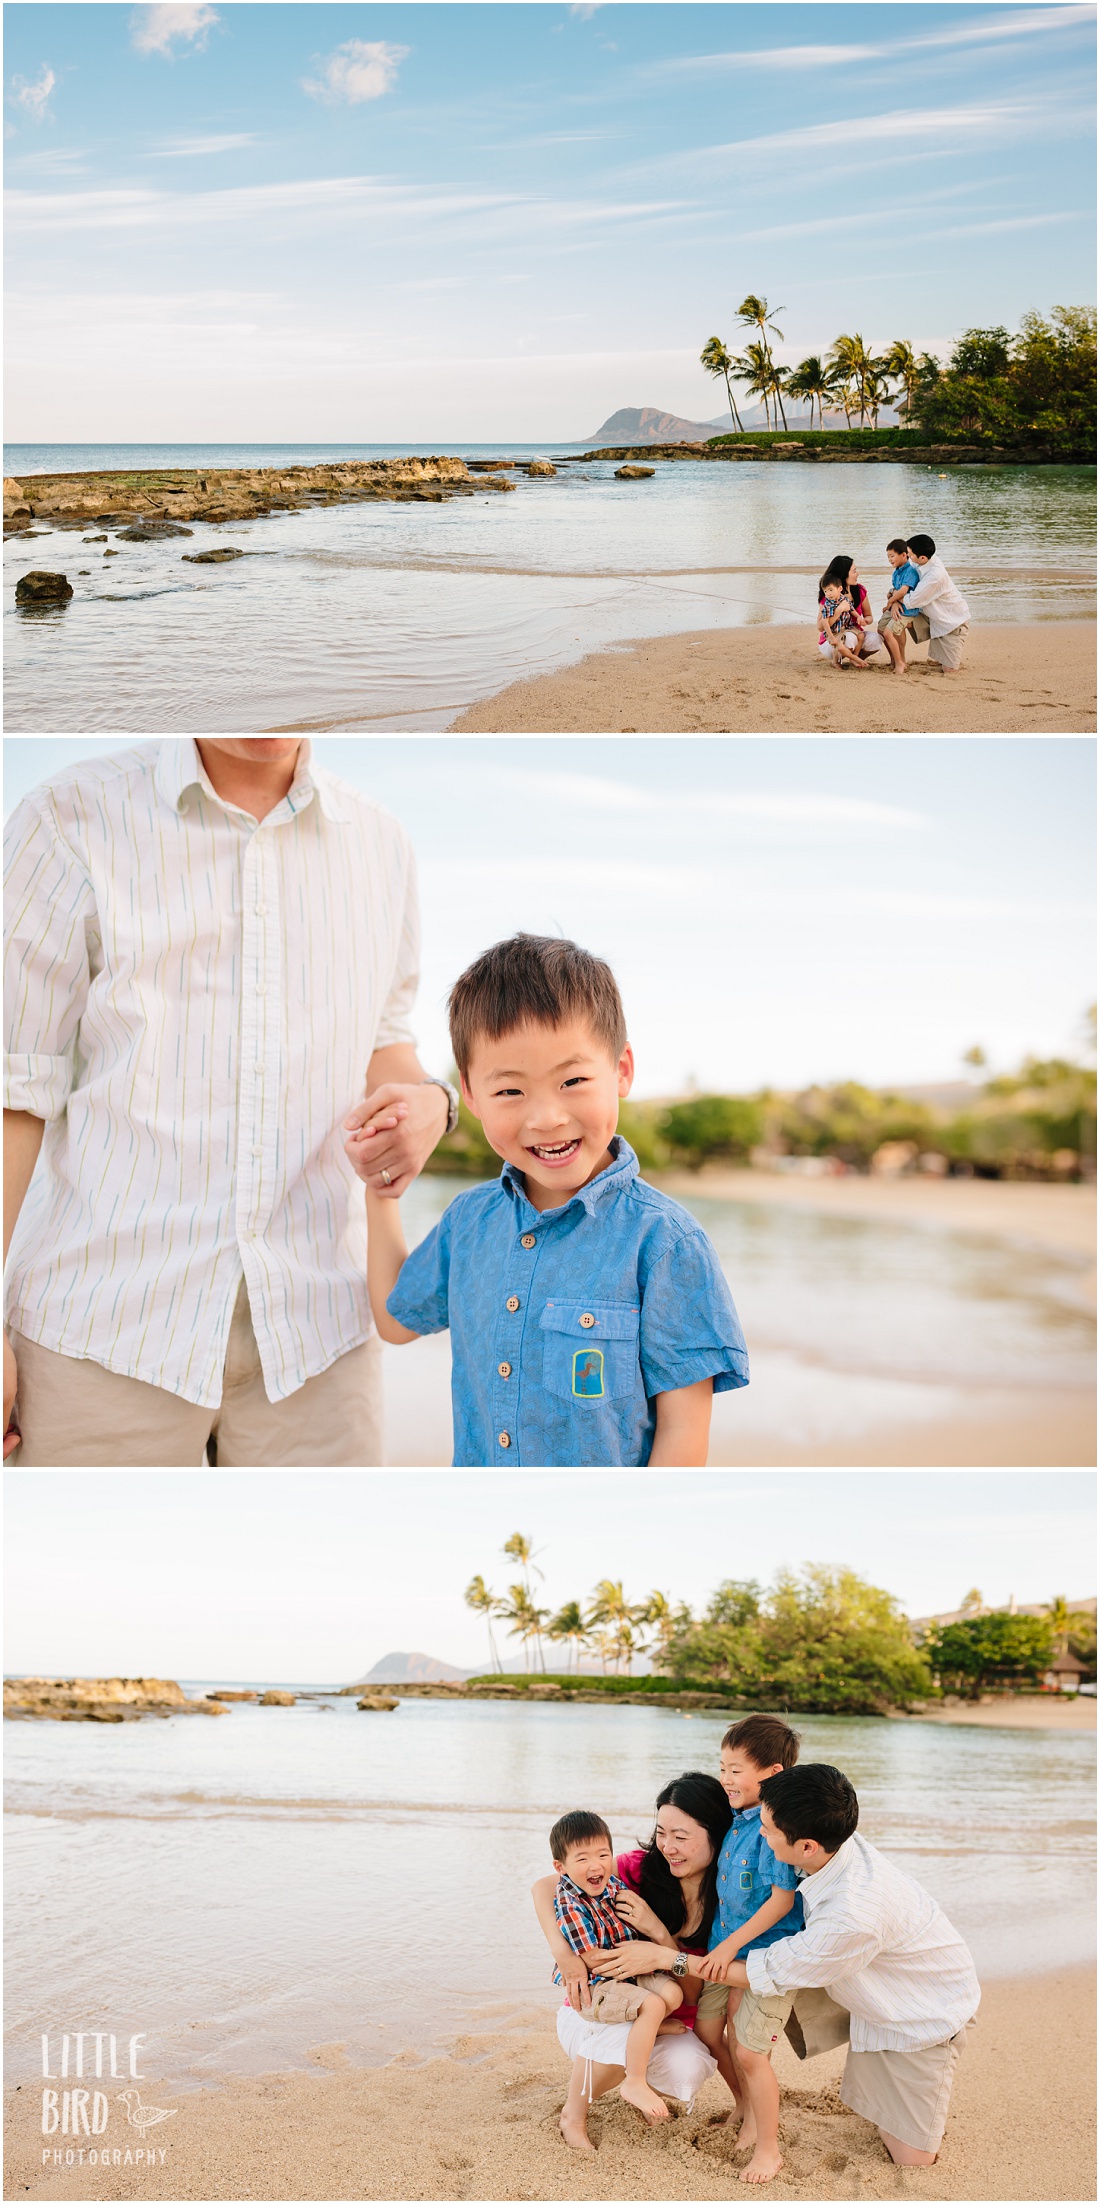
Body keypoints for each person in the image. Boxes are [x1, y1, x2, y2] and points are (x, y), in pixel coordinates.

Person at [3, 740, 455, 1466]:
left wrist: (434, 1102)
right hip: (100, 1335)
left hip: (318, 1342)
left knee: (324, 1580)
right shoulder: (67, 816)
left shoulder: (381, 841)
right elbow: (13, 1090)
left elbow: (385, 1040)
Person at [347, 933, 749, 1467]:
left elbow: (683, 1434)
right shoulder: (470, 1221)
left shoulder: (665, 1244)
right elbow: (396, 1322)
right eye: (510, 1091)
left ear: (622, 1070)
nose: (546, 1118)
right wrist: (382, 1189)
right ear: (469, 1094)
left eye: (574, 1080)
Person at [723, 1765, 981, 2171]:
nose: (761, 1835)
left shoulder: (851, 1917)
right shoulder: (831, 1831)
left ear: (807, 1846)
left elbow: (765, 1971)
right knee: (874, 2106)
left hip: (920, 2017)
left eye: (769, 1830)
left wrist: (673, 1960)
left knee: (912, 2161)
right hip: (875, 1991)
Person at [532, 1773, 732, 2153]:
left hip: (653, 2002)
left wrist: (659, 1937)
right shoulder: (635, 1869)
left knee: (687, 2062)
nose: (668, 1847)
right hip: (593, 2004)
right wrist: (564, 1955)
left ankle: (640, 2068)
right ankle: (573, 2115)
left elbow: (692, 1995)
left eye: (682, 1836)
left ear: (716, 1835)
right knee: (632, 2026)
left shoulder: (728, 1904)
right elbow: (544, 1887)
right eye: (661, 1833)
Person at [694, 1715, 804, 2185]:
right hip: (724, 1948)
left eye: (736, 1769)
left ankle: (768, 2146)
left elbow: (781, 1901)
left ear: (772, 1774)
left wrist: (734, 1946)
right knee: (706, 2029)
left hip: (765, 1957)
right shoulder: (737, 1820)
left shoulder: (772, 1829)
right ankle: (744, 2103)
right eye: (722, 1767)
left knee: (750, 2050)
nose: (725, 1778)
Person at [547, 1813, 686, 2127]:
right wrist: (634, 1960)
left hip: (627, 1969)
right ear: (561, 1867)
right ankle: (635, 2080)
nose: (596, 1865)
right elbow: (593, 1958)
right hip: (601, 1980)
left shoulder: (611, 1884)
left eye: (603, 1855)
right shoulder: (571, 1904)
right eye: (582, 1858)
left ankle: (647, 2027)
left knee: (673, 1993)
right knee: (652, 2003)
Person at [900, 535, 971, 672]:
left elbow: (912, 601)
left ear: (922, 558)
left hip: (952, 623)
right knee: (895, 617)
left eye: (910, 554)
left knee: (949, 670)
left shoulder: (935, 576)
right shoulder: (922, 561)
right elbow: (905, 579)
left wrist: (895, 597)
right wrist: (896, 596)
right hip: (933, 616)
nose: (907, 557)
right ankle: (898, 662)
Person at [816, 557, 885, 668]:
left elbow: (869, 616)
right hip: (833, 640)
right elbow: (820, 627)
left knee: (875, 639)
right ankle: (839, 660)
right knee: (850, 638)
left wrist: (865, 620)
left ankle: (855, 659)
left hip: (854, 633)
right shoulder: (830, 596)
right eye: (854, 571)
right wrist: (839, 610)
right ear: (844, 574)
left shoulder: (860, 590)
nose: (857, 574)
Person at [875, 538, 921, 674]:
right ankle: (895, 658)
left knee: (889, 633)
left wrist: (890, 601)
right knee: (881, 629)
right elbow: (895, 590)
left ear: (904, 554)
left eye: (892, 556)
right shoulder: (896, 572)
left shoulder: (910, 571)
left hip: (907, 610)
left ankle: (900, 663)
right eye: (888, 556)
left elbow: (902, 591)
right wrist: (891, 601)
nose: (890, 559)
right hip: (896, 606)